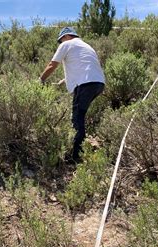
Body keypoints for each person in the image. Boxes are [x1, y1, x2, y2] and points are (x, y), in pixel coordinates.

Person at [39, 27, 105, 163]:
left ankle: (76, 156)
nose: (60, 43)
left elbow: (52, 65)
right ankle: (78, 151)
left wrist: (40, 80)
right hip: (98, 83)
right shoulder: (86, 46)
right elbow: (84, 65)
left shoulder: (66, 44)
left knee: (77, 118)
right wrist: (63, 81)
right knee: (80, 115)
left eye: (60, 40)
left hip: (85, 84)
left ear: (66, 36)